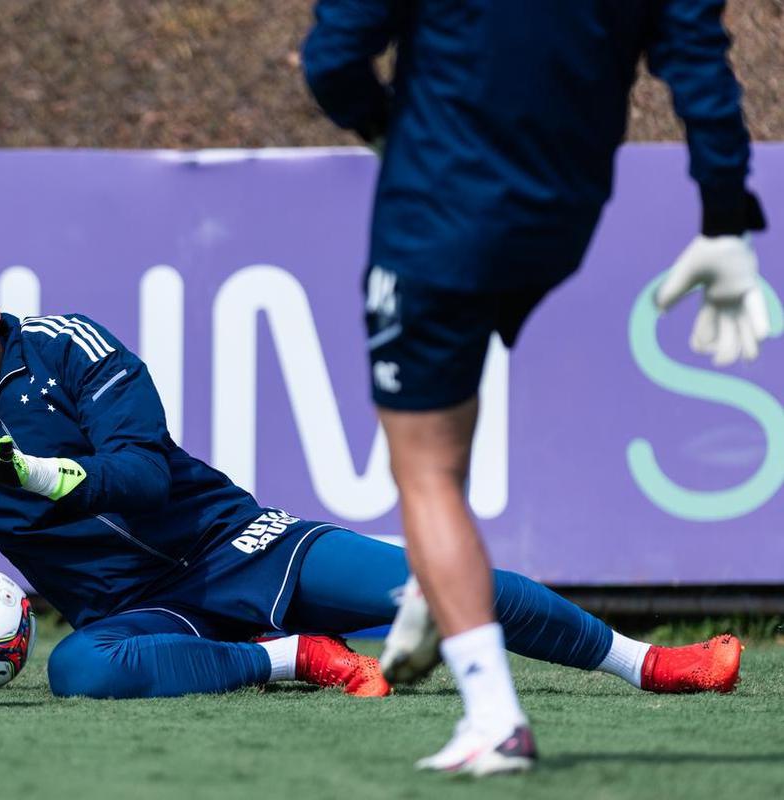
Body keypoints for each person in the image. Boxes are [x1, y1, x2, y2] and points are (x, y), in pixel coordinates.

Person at [0, 236, 742, 715]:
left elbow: (143, 477)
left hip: (236, 546)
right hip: (135, 610)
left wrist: (33, 475)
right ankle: (293, 658)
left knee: (445, 585)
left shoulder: (72, 347)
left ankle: (649, 663)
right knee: (78, 670)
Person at [302, 0, 771, 774]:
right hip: (561, 215)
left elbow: (331, 59)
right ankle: (436, 584)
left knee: (425, 470)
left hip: (435, 210)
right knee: (450, 416)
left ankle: (493, 717)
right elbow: (697, 62)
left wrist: (386, 130)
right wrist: (724, 216)